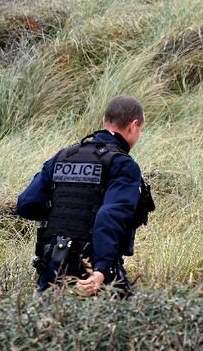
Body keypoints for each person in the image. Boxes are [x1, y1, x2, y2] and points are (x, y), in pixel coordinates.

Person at [16, 95, 155, 296]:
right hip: (91, 266)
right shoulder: (122, 164)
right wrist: (101, 269)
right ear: (133, 126)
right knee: (127, 320)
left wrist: (63, 216)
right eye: (140, 129)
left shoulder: (62, 157)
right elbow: (110, 216)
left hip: (52, 264)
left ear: (105, 121)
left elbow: (26, 204)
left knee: (45, 323)